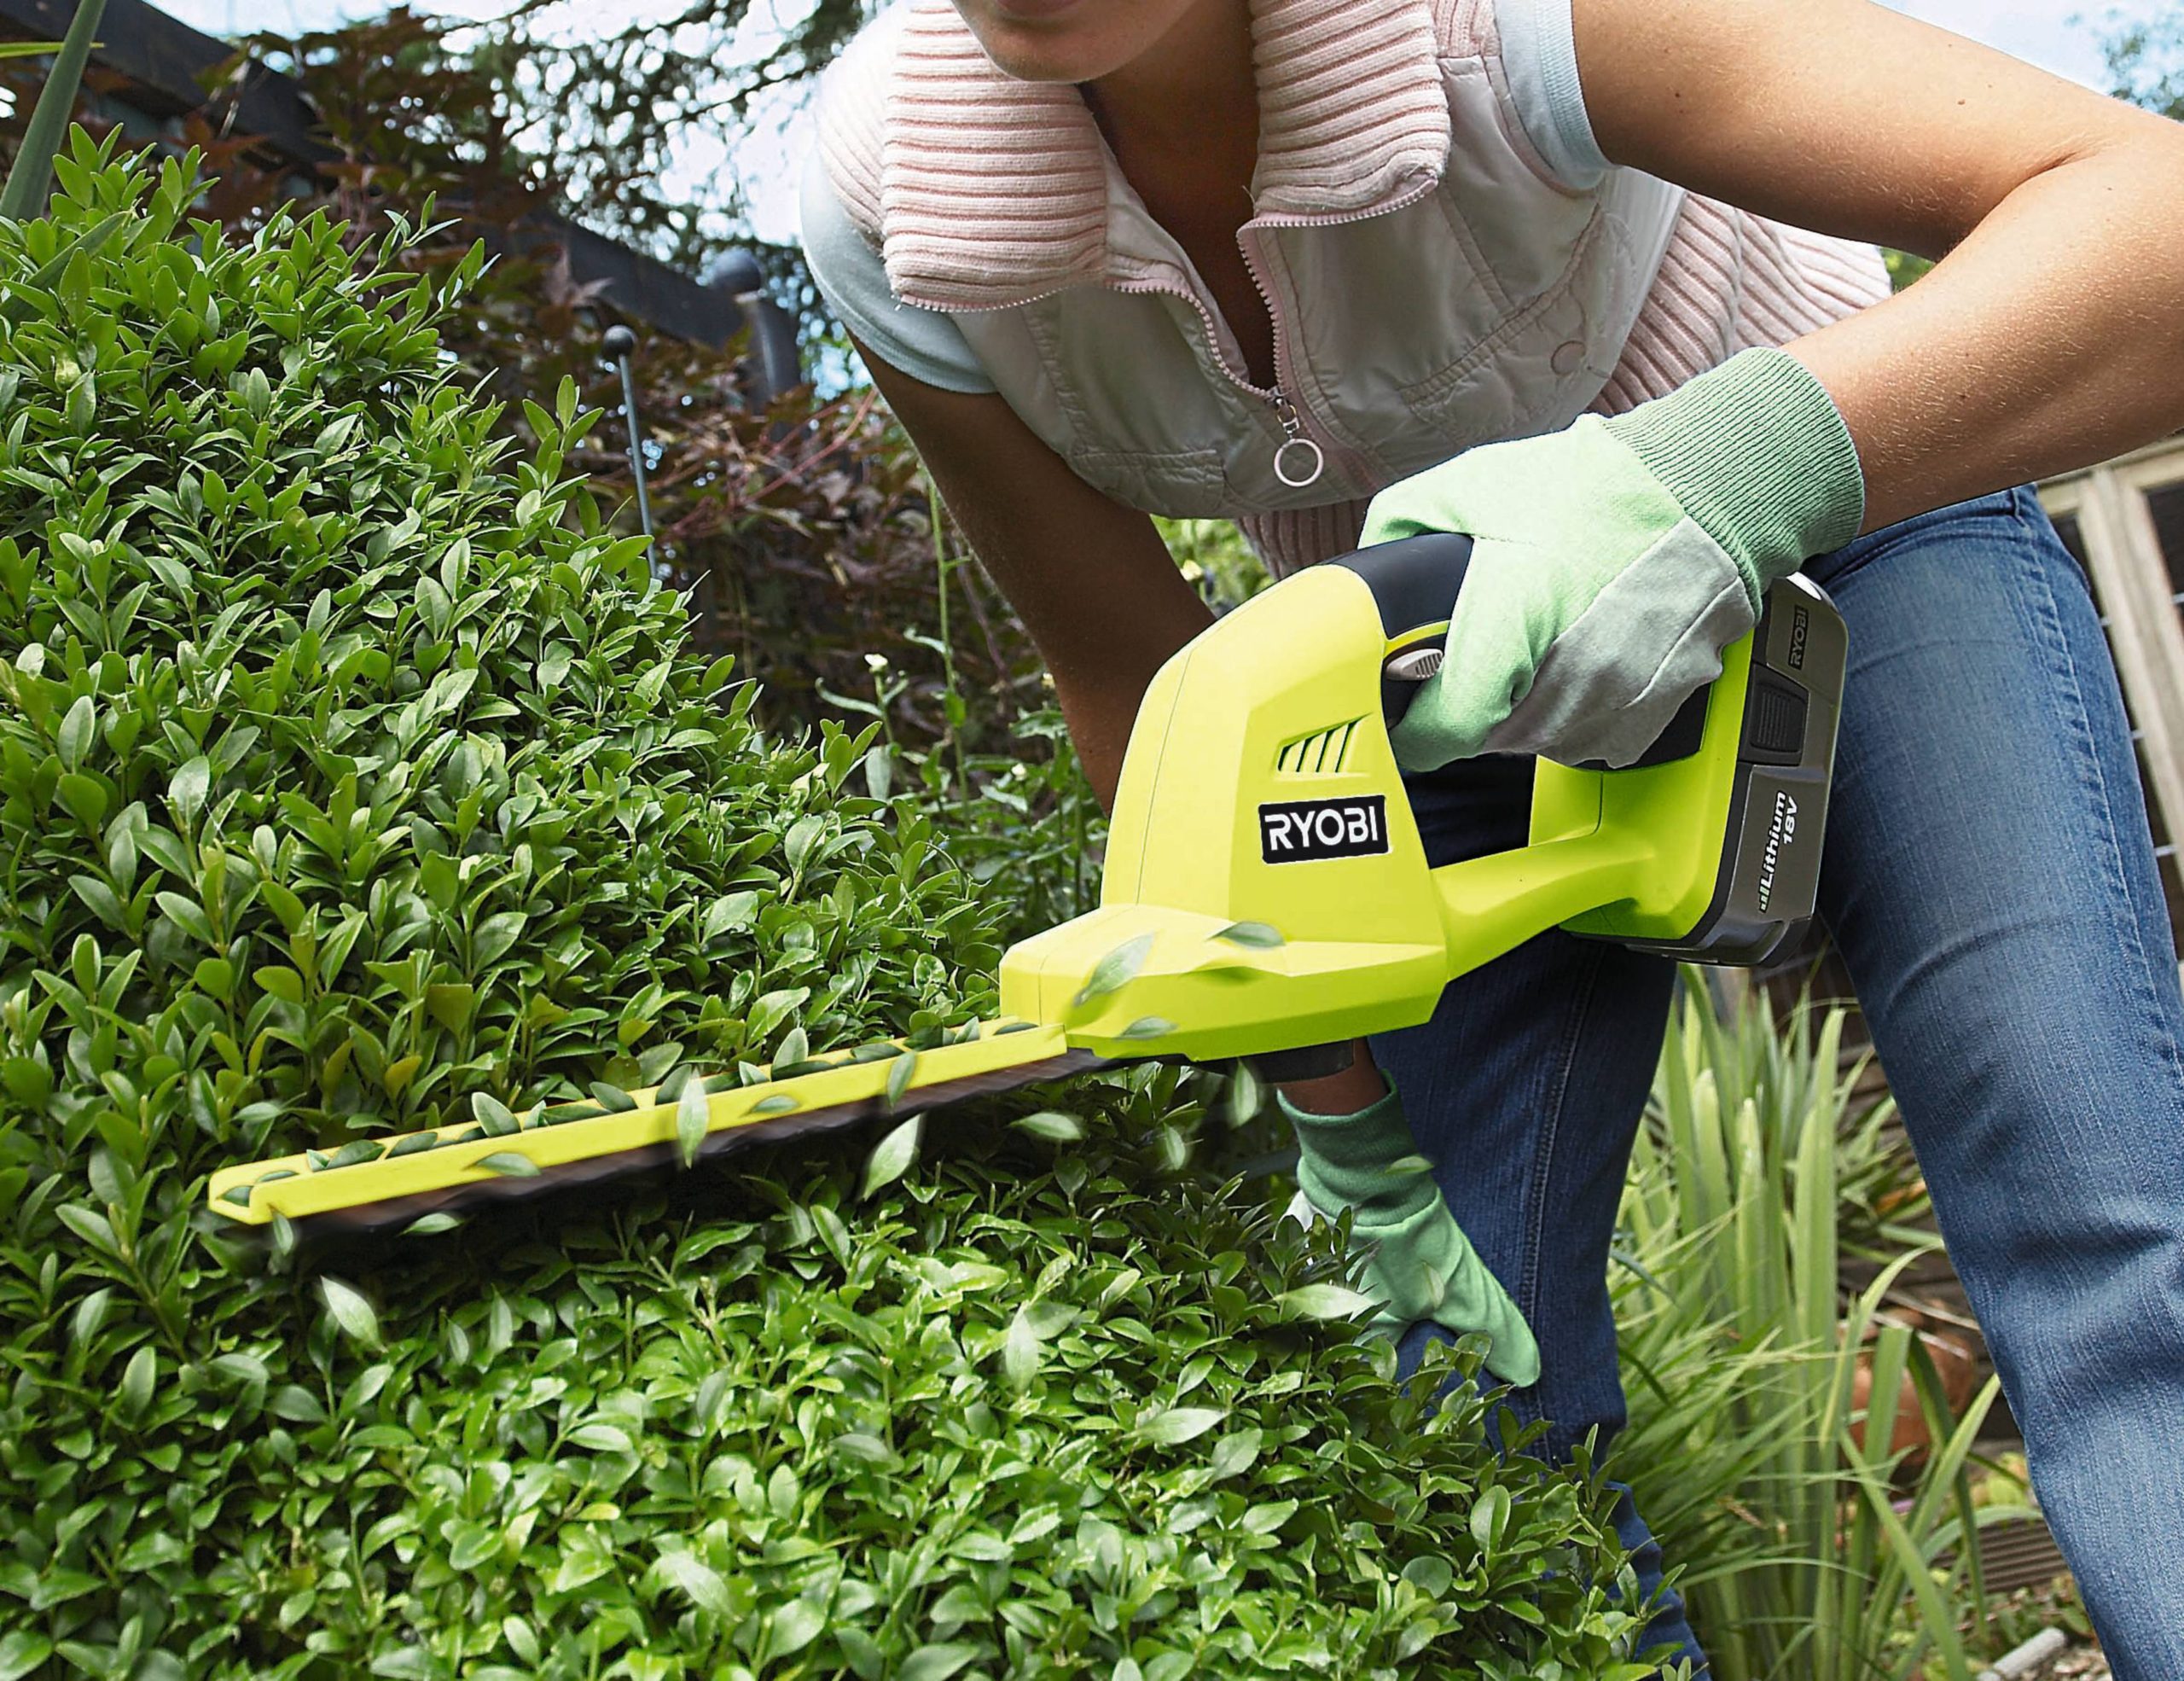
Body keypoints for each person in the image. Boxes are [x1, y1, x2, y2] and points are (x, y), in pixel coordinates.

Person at [797, 0, 2184, 1671]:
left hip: (1849, 520)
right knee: (1450, 1399)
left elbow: (2152, 222)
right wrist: (1338, 1109)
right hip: (1427, 693)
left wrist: (1717, 473)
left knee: (2103, 1239)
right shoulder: (891, 204)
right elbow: (1137, 682)